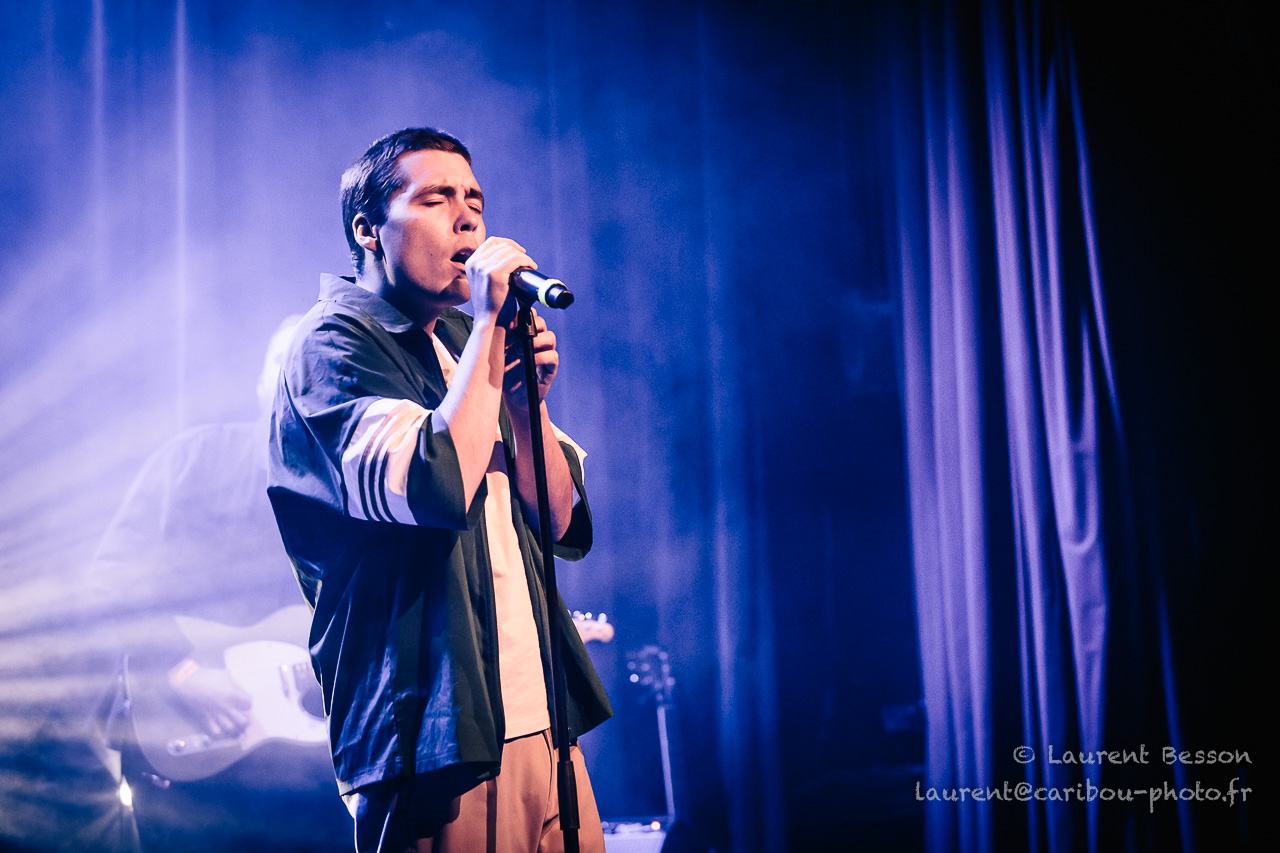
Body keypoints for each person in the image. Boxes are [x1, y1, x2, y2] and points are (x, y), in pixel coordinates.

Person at [266, 127, 612, 852]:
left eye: (475, 202)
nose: (467, 220)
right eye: (435, 199)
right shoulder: (332, 345)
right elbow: (434, 484)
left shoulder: (464, 340)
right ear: (367, 230)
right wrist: (488, 330)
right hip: (432, 739)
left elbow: (561, 520)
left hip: (545, 728)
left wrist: (523, 405)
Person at [89, 315, 354, 852]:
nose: (298, 380)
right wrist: (179, 671)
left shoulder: (351, 492)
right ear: (260, 382)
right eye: (285, 364)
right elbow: (111, 578)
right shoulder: (194, 459)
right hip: (188, 760)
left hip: (310, 779)